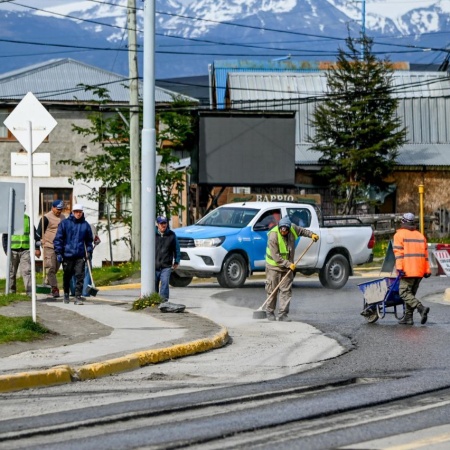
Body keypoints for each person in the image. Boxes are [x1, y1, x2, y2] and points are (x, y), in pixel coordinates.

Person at [265, 216, 319, 322]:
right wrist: (288, 264)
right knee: (272, 290)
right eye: (282, 230)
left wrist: (312, 235)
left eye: (286, 230)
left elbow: (302, 231)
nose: (283, 232)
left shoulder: (293, 228)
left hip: (288, 267)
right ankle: (270, 312)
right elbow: (276, 256)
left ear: (289, 228)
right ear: (279, 227)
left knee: (286, 291)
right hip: (274, 266)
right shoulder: (273, 236)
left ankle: (283, 314)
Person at [393, 212, 431, 325]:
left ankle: (421, 308)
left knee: (404, 293)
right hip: (419, 271)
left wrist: (399, 268)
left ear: (403, 222)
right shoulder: (420, 236)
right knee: (411, 295)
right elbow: (426, 256)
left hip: (407, 270)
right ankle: (408, 318)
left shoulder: (399, 235)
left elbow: (398, 253)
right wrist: (427, 270)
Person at [54, 204, 93, 305]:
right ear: (72, 212)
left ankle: (78, 297)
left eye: (80, 212)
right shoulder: (65, 224)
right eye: (76, 212)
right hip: (67, 255)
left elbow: (89, 241)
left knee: (80, 276)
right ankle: (66, 294)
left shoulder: (85, 225)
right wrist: (58, 252)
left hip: (80, 255)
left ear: (82, 213)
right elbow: (58, 239)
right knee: (67, 276)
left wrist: (89, 251)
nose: (78, 214)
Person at [2, 213, 41, 296]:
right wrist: (6, 250)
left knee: (27, 272)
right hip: (12, 251)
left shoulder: (27, 219)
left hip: (25, 251)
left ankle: (30, 293)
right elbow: (5, 236)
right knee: (11, 272)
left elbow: (36, 236)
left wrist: (37, 248)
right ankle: (11, 293)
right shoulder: (10, 219)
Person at [36, 200, 66, 298]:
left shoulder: (63, 218)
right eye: (57, 209)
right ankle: (54, 289)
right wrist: (37, 248)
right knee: (51, 268)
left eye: (61, 209)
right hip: (48, 246)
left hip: (60, 247)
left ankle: (47, 284)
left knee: (56, 268)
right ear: (52, 208)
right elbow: (38, 234)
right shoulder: (46, 218)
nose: (59, 211)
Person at [70, 223, 101, 297]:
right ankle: (82, 292)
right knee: (82, 271)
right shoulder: (90, 226)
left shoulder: (90, 226)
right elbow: (96, 240)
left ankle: (80, 292)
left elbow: (96, 239)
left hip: (83, 252)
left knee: (82, 271)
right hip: (79, 252)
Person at [155, 216, 181, 302]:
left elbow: (176, 249)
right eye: (161, 223)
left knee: (165, 283)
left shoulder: (171, 235)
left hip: (166, 265)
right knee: (154, 284)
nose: (163, 225)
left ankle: (163, 301)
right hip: (154, 265)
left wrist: (176, 261)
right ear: (157, 224)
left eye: (165, 223)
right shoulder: (152, 234)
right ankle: (154, 300)